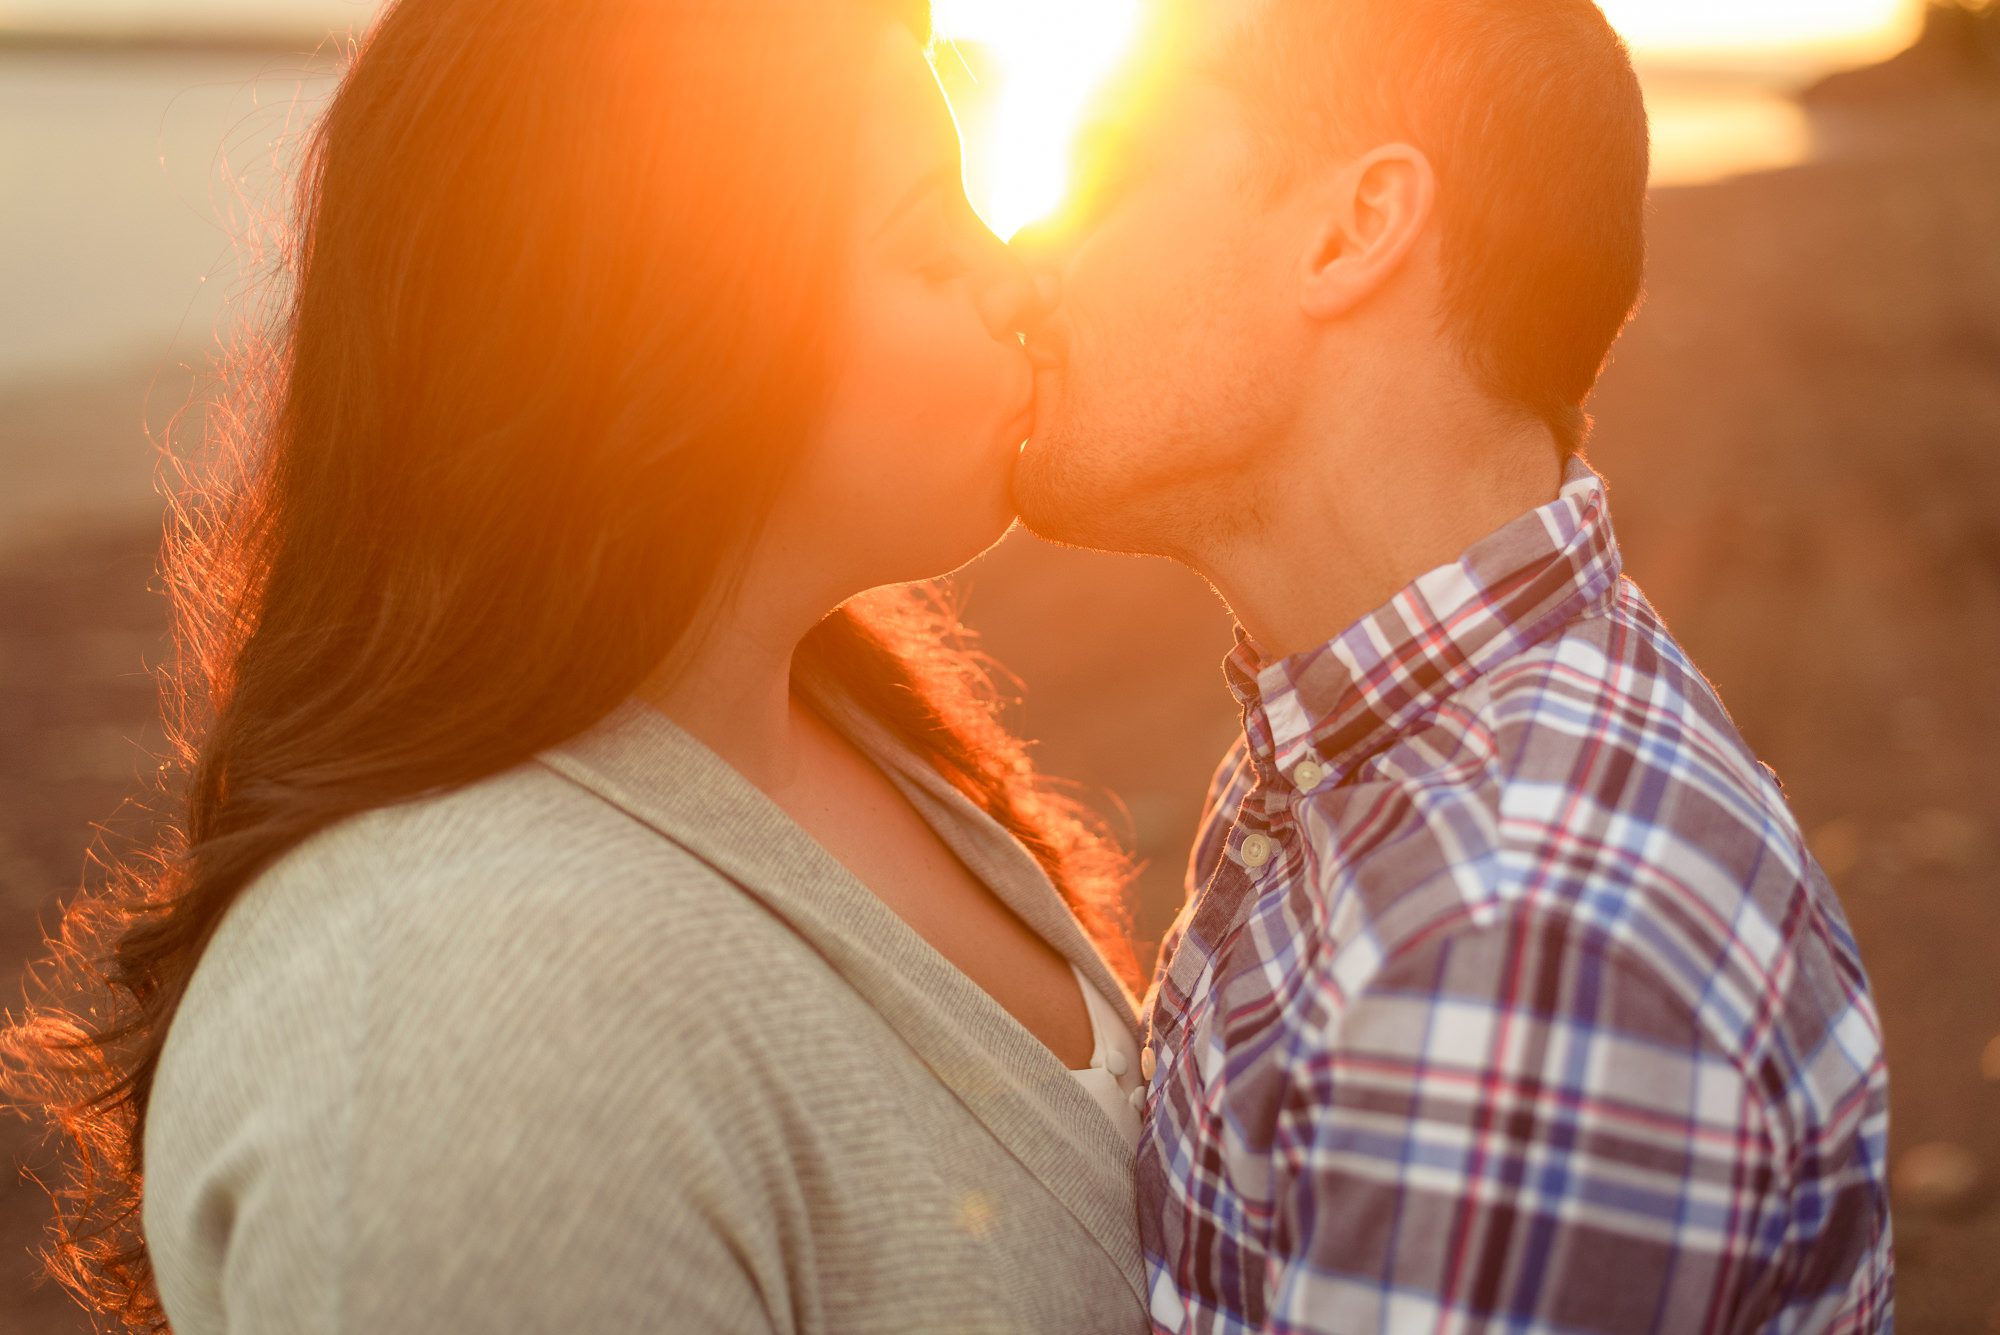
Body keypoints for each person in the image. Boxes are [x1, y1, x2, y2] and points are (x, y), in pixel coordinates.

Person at [2, 1, 1152, 1330]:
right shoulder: (458, 1045)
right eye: (927, 242)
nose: (1020, 278)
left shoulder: (821, 710)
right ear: (672, 331)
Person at [1013, 1, 1894, 1330]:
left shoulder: (1514, 942)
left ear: (1354, 229)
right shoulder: (1375, 756)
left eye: (1112, 166)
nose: (1026, 250)